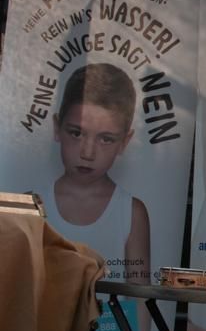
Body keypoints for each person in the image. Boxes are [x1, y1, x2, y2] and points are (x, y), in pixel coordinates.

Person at [47, 62, 151, 287]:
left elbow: (141, 297)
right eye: (76, 133)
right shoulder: (34, 206)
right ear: (57, 128)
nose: (87, 153)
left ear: (124, 142)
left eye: (105, 139)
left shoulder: (131, 213)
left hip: (111, 313)